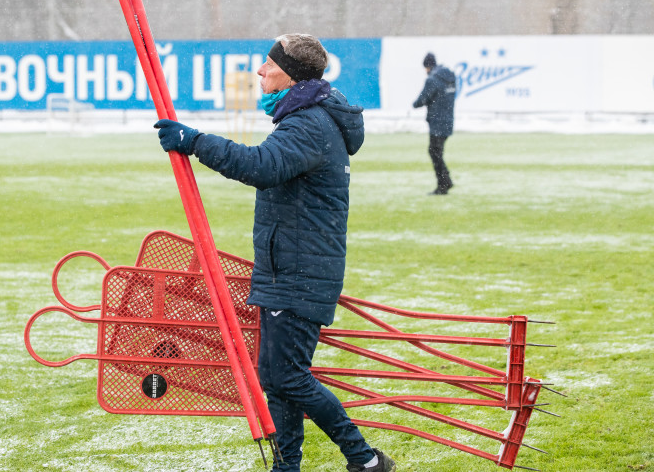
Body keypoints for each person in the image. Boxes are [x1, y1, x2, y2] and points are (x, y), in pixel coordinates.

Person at [154, 34, 396, 472]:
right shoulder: (307, 117)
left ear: (292, 74)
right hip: (288, 267)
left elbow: (259, 167)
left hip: (299, 272)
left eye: (268, 64)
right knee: (278, 379)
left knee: (285, 376)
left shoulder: (309, 124)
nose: (260, 72)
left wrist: (195, 140)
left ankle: (364, 459)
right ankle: (288, 467)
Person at [412, 52, 457, 195]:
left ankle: (444, 184)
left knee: (434, 152)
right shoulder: (450, 77)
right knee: (437, 152)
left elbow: (423, 99)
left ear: (427, 66)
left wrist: (415, 104)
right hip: (448, 120)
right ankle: (445, 181)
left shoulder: (433, 80)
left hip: (437, 122)